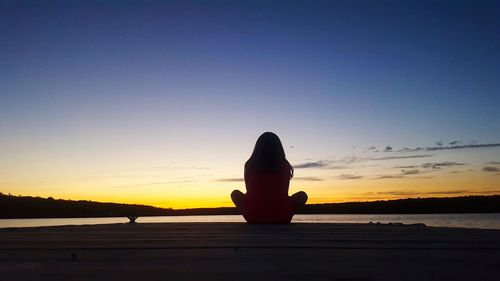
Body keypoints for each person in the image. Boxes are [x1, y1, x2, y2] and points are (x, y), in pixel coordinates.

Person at [231, 132, 308, 224]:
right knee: (302, 195)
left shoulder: (249, 165)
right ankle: (282, 214)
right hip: (282, 217)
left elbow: (249, 189)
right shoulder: (284, 166)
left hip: (253, 217)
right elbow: (283, 190)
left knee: (235, 194)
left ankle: (257, 214)